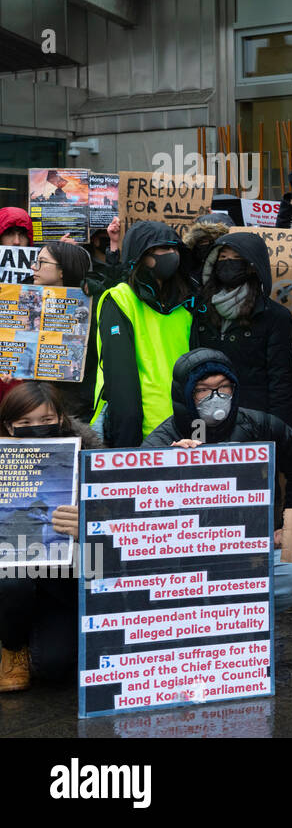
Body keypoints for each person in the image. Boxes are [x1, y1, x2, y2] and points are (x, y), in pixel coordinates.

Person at [142, 349, 292, 613]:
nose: (216, 397)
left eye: (223, 387)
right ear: (186, 394)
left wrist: (290, 524)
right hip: (185, 561)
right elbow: (137, 509)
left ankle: (244, 618)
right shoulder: (161, 442)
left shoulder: (259, 425)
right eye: (203, 390)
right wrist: (168, 464)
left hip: (250, 551)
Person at [0, 383, 100, 692]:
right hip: (11, 575)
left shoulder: (91, 458)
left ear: (62, 419)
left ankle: (31, 633)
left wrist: (87, 526)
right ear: (8, 426)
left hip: (61, 582)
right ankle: (10, 646)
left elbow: (113, 540)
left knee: (53, 668)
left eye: (46, 421)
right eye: (26, 423)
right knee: (12, 581)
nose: (37, 429)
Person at [92, 220, 193, 448]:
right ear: (140, 255)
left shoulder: (184, 305)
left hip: (182, 430)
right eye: (162, 249)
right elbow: (120, 379)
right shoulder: (120, 299)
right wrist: (126, 444)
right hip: (139, 433)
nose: (172, 254)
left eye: (174, 248)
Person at [191, 232, 292, 421]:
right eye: (222, 257)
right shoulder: (199, 309)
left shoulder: (273, 316)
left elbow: (281, 380)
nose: (228, 263)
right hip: (205, 416)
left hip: (254, 417)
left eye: (237, 258)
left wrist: (276, 428)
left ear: (253, 266)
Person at [30, 241, 96, 419]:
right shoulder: (28, 304)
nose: (33, 267)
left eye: (42, 262)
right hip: (37, 407)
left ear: (62, 270)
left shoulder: (93, 309)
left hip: (79, 412)